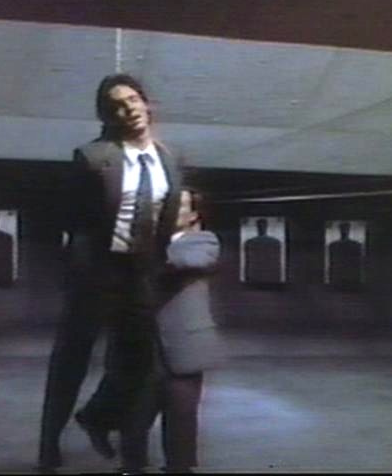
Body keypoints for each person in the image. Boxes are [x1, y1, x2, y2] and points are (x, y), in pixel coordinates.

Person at [38, 73, 185, 470]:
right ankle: (48, 445)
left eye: (133, 100)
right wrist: (79, 274)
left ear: (146, 103)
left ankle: (107, 428)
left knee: (140, 367)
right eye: (117, 106)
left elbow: (167, 220)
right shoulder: (92, 157)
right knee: (71, 362)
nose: (128, 110)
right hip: (96, 274)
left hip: (141, 274)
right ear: (108, 116)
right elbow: (71, 222)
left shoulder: (169, 160)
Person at [117, 189, 224, 473]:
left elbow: (191, 261)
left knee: (181, 422)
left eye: (181, 206)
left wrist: (146, 251)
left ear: (194, 216)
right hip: (143, 347)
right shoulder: (145, 243)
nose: (171, 209)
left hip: (184, 347)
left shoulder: (203, 240)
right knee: (133, 420)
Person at [244, 218, 282, 283]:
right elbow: (277, 262)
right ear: (266, 227)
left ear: (257, 227)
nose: (261, 228)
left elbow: (247, 263)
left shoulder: (249, 242)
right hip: (270, 277)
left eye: (261, 226)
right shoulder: (276, 242)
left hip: (255, 276)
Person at [327, 221, 363, 286]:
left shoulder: (356, 245)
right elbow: (331, 262)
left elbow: (358, 263)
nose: (344, 231)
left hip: (350, 277)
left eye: (346, 229)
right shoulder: (333, 245)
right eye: (343, 229)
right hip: (338, 277)